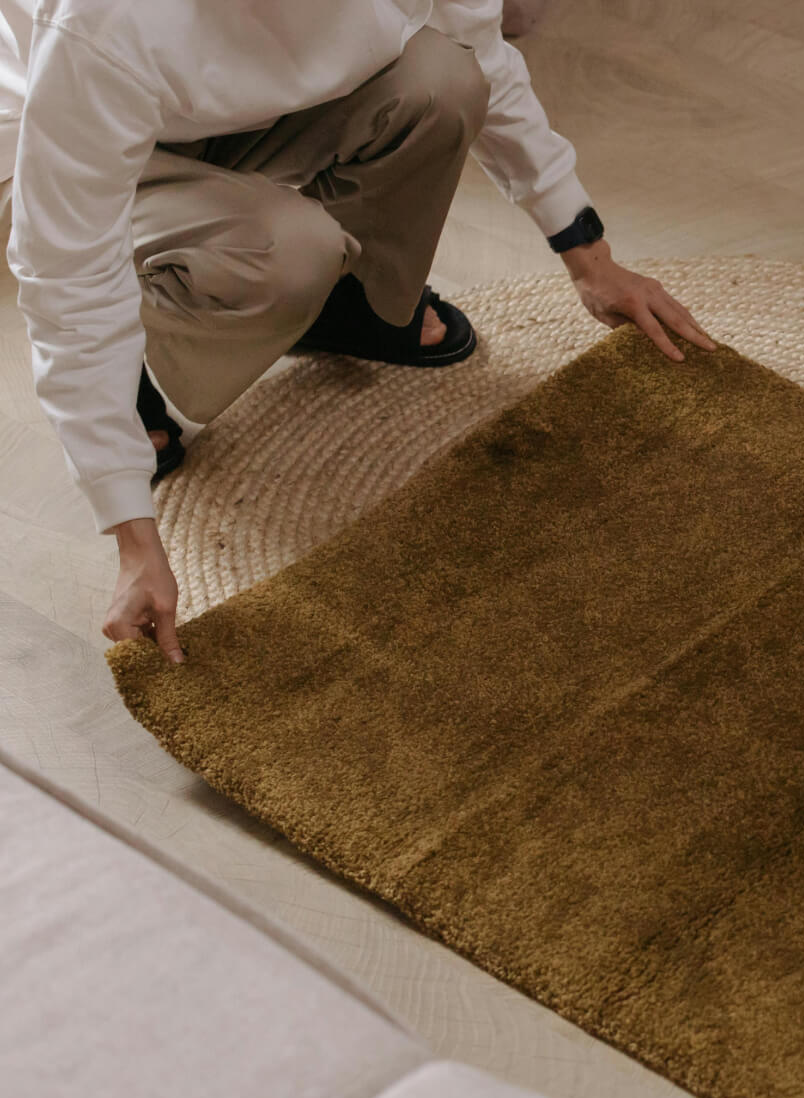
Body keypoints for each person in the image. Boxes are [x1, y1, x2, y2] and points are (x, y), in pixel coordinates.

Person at [1, 1, 717, 665]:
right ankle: (142, 374)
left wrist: (590, 259)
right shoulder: (104, 23)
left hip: (219, 108)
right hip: (56, 143)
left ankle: (350, 307)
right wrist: (130, 531)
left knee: (445, 80)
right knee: (287, 251)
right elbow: (63, 270)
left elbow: (482, 58)